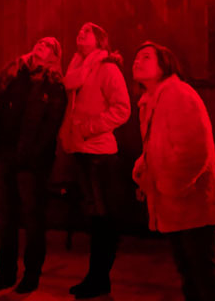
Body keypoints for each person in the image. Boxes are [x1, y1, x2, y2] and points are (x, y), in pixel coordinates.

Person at [131, 41, 215, 301]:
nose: (137, 62)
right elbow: (158, 145)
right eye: (136, 58)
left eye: (146, 57)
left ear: (165, 64)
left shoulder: (178, 95)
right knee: (188, 273)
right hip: (175, 204)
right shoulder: (151, 101)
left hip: (194, 204)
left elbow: (193, 151)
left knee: (202, 275)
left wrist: (169, 186)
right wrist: (145, 173)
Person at [0, 37, 68, 294]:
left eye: (49, 45)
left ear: (54, 56)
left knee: (32, 219)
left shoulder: (54, 85)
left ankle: (31, 274)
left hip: (33, 162)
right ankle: (6, 273)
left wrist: (30, 156)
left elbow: (50, 128)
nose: (42, 44)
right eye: (40, 42)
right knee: (6, 217)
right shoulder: (16, 71)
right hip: (5, 154)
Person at [59, 22, 131, 299]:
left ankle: (99, 279)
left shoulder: (107, 68)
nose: (80, 33)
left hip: (100, 153)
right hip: (81, 150)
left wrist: (89, 128)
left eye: (87, 31)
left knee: (103, 221)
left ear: (101, 41)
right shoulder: (76, 69)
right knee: (95, 220)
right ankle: (96, 278)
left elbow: (122, 109)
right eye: (78, 30)